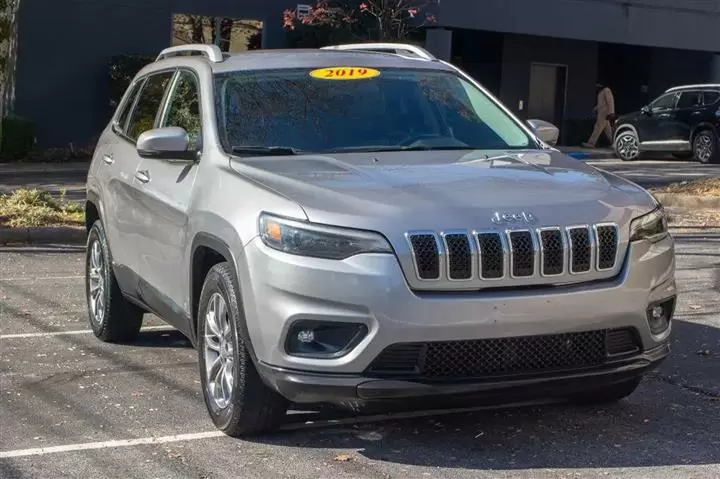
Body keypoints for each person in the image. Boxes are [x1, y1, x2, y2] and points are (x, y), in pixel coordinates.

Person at [582, 82, 615, 148]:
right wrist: (595, 108)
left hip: (604, 113)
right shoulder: (602, 92)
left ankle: (591, 143)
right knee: (608, 131)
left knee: (597, 127)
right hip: (602, 112)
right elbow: (601, 103)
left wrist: (611, 112)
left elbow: (610, 102)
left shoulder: (606, 90)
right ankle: (615, 143)